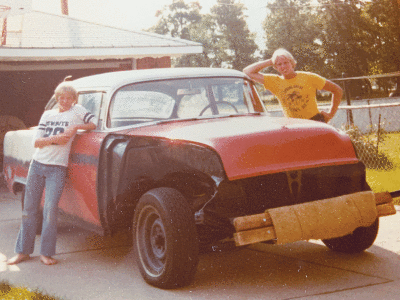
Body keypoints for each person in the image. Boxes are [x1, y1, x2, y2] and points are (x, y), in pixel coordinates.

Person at [7, 81, 97, 266]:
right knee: (29, 210)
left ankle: (46, 253)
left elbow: (93, 122)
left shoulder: (77, 111)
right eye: (61, 97)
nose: (65, 101)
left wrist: (74, 128)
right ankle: (23, 252)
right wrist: (55, 139)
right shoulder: (48, 114)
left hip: (57, 168)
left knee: (50, 210)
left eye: (69, 98)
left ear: (74, 99)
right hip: (38, 164)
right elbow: (37, 142)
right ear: (56, 98)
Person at [243, 48, 343, 123]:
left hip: (314, 122)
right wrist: (271, 60)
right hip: (293, 125)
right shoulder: (273, 81)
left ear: (292, 63)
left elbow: (337, 90)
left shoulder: (309, 77)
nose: (283, 66)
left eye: (286, 62)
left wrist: (330, 114)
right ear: (275, 67)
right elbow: (247, 71)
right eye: (279, 64)